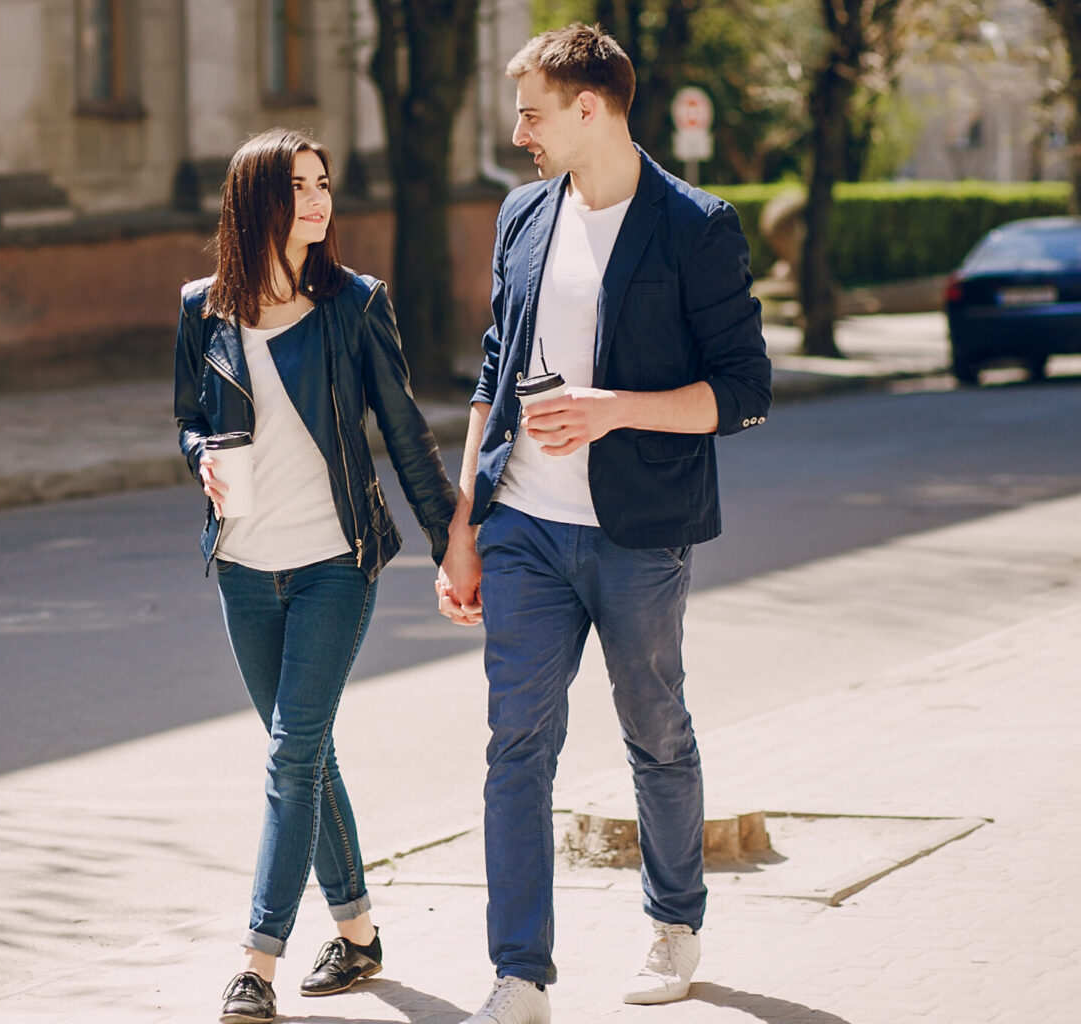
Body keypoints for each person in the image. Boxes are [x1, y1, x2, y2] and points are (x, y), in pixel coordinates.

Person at [433, 25, 774, 1024]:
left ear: (592, 107)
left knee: (655, 731)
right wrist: (464, 525)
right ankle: (521, 975)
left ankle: (675, 921)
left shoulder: (694, 225)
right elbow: (494, 372)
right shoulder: (523, 214)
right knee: (515, 744)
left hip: (637, 532)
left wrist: (613, 407)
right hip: (523, 526)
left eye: (532, 110)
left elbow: (743, 390)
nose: (518, 129)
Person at [174, 127, 469, 1024]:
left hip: (336, 563)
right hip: (242, 567)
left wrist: (452, 535)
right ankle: (360, 931)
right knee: (306, 754)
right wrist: (201, 461)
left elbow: (406, 432)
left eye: (323, 183)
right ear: (254, 200)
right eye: (298, 185)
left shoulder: (354, 305)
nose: (317, 200)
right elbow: (188, 418)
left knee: (288, 757)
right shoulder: (203, 309)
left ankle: (256, 964)